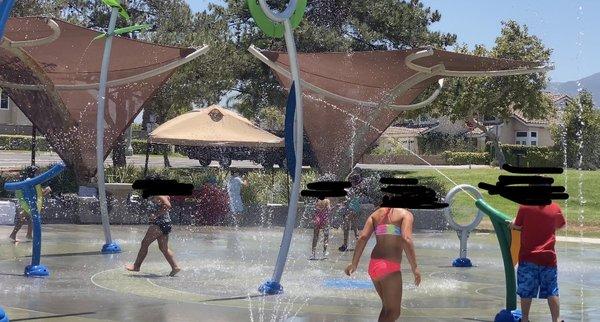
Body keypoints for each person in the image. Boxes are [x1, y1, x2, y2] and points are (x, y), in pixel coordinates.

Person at [345, 206, 421, 322]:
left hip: (374, 265)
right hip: (389, 267)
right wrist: (414, 267)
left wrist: (354, 263)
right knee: (394, 312)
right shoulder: (405, 214)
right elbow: (406, 239)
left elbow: (363, 237)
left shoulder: (376, 214)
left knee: (387, 309)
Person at [508, 201, 566, 322]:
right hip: (548, 259)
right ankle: (556, 319)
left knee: (526, 290)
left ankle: (525, 319)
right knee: (552, 290)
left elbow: (517, 225)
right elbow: (561, 225)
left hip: (528, 258)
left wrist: (513, 223)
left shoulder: (525, 206)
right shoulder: (554, 207)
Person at [126, 176, 180, 276]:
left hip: (159, 224)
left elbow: (168, 205)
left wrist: (156, 215)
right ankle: (175, 267)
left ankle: (136, 266)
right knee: (163, 248)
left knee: (144, 243)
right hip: (166, 223)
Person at [9, 166, 51, 244]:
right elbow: (38, 193)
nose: (39, 174)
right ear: (33, 173)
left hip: (27, 202)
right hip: (25, 203)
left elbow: (37, 193)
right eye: (37, 172)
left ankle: (28, 235)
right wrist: (46, 190)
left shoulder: (31, 181)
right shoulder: (31, 181)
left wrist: (44, 191)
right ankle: (13, 234)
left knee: (30, 219)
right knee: (23, 220)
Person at [339, 174, 361, 252]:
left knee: (346, 227)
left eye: (350, 180)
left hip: (351, 209)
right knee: (355, 227)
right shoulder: (358, 188)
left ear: (353, 180)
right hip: (356, 209)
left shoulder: (352, 189)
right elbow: (354, 199)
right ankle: (360, 244)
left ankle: (345, 245)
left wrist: (344, 202)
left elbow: (350, 199)